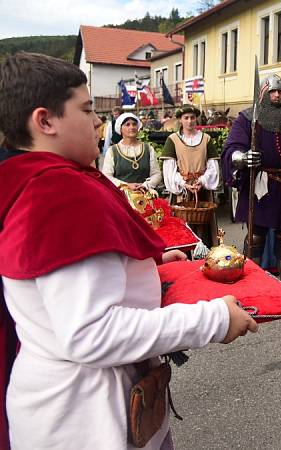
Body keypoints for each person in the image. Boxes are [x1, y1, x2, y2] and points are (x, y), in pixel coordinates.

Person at [0, 52, 257, 450]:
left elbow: (65, 287)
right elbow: (90, 332)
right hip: (85, 420)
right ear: (45, 121)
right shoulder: (59, 192)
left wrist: (140, 268)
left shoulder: (36, 181)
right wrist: (215, 319)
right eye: (86, 109)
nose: (98, 121)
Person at [222, 74, 281, 292]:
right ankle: (251, 287)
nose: (277, 95)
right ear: (263, 93)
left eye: (280, 92)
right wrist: (243, 158)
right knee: (255, 237)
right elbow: (231, 148)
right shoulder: (247, 118)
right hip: (260, 187)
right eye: (273, 91)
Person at [161, 104, 220, 246]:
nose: (189, 121)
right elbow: (169, 169)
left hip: (202, 190)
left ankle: (204, 255)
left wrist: (202, 181)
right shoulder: (173, 140)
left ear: (196, 119)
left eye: (192, 118)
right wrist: (183, 183)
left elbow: (213, 166)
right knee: (181, 226)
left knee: (205, 227)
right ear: (180, 120)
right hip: (182, 190)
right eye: (185, 118)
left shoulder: (205, 139)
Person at [101, 112, 162, 190]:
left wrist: (145, 185)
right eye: (127, 125)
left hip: (145, 195)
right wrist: (126, 185)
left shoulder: (148, 148)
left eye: (134, 124)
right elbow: (107, 176)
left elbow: (156, 174)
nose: (132, 127)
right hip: (121, 196)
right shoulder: (112, 151)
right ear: (120, 129)